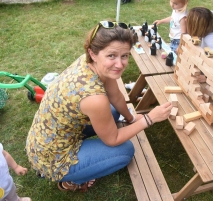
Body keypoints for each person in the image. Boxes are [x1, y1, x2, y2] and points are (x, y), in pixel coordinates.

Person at [25, 21, 173, 192]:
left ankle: (80, 164)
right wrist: (149, 118)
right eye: (112, 56)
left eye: (124, 56)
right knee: (125, 151)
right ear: (93, 53)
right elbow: (113, 140)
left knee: (114, 111)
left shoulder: (90, 63)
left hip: (49, 136)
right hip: (52, 158)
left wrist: (132, 118)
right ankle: (71, 180)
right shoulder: (94, 98)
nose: (120, 64)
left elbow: (115, 95)